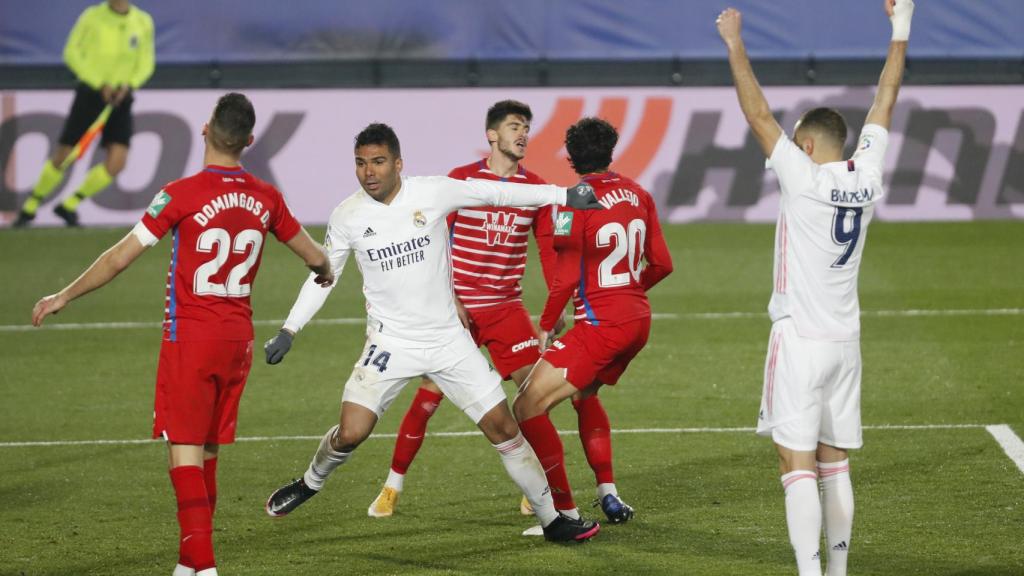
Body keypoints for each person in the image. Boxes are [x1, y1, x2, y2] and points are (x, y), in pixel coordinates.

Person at [31, 93, 333, 576]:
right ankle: (188, 564)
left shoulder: (182, 193)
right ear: (250, 141)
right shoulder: (266, 197)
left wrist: (65, 295)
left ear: (205, 129)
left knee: (183, 453)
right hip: (239, 341)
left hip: (190, 339)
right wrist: (323, 269)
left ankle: (205, 567)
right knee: (207, 450)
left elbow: (119, 256)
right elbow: (314, 254)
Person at [262, 122, 605, 543]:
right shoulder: (347, 215)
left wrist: (564, 195)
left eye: (378, 162)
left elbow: (496, 192)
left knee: (504, 428)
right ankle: (311, 481)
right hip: (389, 344)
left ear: (398, 164)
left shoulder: (433, 192)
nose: (369, 172)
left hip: (448, 342)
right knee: (351, 431)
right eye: (361, 163)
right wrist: (289, 329)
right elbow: (324, 277)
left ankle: (553, 520)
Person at [716, 1, 912, 574]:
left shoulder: (801, 178)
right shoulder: (867, 175)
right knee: (835, 463)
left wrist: (734, 44)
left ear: (804, 146)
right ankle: (839, 570)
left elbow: (758, 116)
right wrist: (901, 27)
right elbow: (886, 98)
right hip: (846, 341)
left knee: (794, 462)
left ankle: (808, 572)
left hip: (800, 337)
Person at [366, 100, 623, 521]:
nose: (522, 134)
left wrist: (554, 303)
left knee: (538, 395)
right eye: (514, 126)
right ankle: (392, 485)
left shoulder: (536, 190)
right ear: (492, 134)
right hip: (457, 312)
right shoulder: (460, 182)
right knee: (428, 396)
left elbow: (548, 249)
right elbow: (431, 245)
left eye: (526, 127)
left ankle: (538, 486)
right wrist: (451, 300)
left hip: (506, 310)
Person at [511, 117, 674, 525]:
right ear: (610, 152)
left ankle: (563, 510)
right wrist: (628, 292)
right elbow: (663, 264)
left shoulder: (573, 200)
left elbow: (566, 274)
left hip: (601, 325)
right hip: (637, 320)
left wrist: (547, 323)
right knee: (585, 396)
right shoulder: (639, 193)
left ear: (569, 157)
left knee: (528, 406)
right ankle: (609, 494)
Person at [14, 0, 155, 228]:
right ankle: (31, 206)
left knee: (117, 162)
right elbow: (71, 53)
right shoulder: (92, 16)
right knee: (66, 154)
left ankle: (69, 205)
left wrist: (130, 84)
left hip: (121, 99)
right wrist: (99, 83)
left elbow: (146, 62)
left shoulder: (143, 21)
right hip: (90, 95)